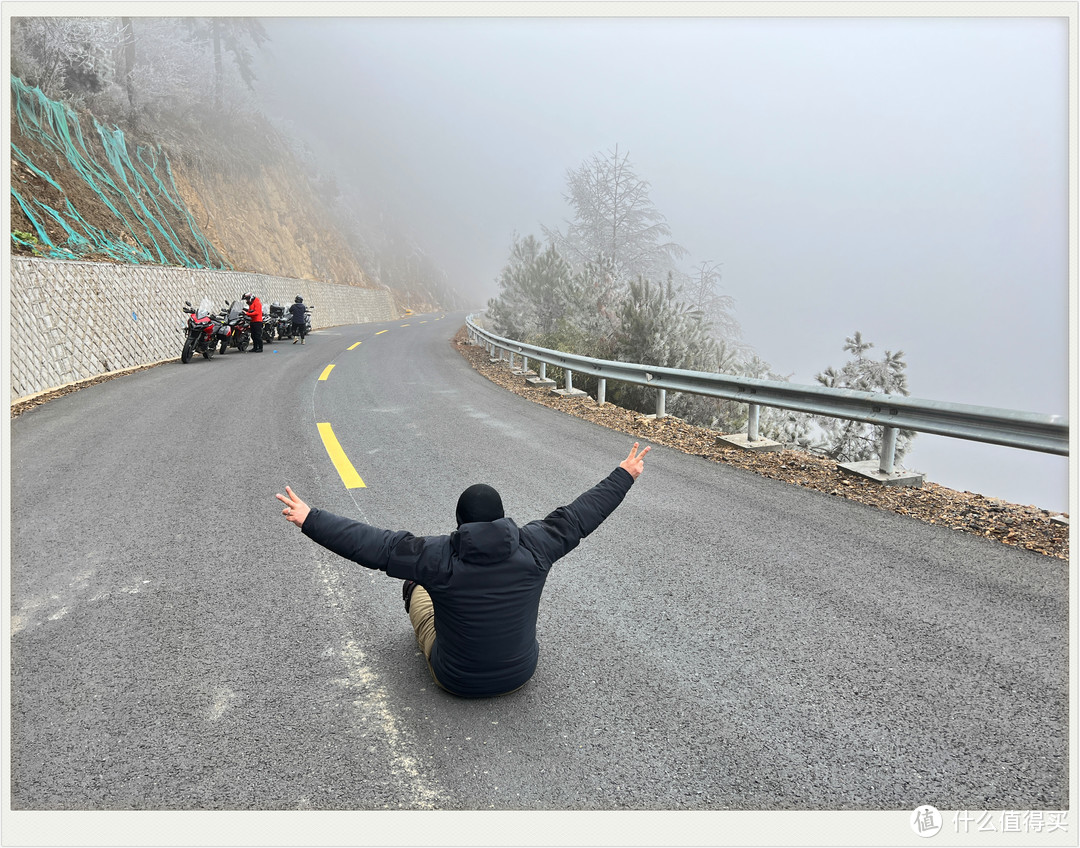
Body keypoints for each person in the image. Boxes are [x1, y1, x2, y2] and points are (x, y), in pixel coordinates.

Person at [275, 442, 651, 698]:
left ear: (460, 522)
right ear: (502, 518)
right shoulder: (537, 544)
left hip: (456, 680)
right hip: (522, 672)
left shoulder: (437, 556)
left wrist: (311, 519)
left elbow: (374, 545)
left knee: (416, 585)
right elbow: (581, 515)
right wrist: (624, 474)